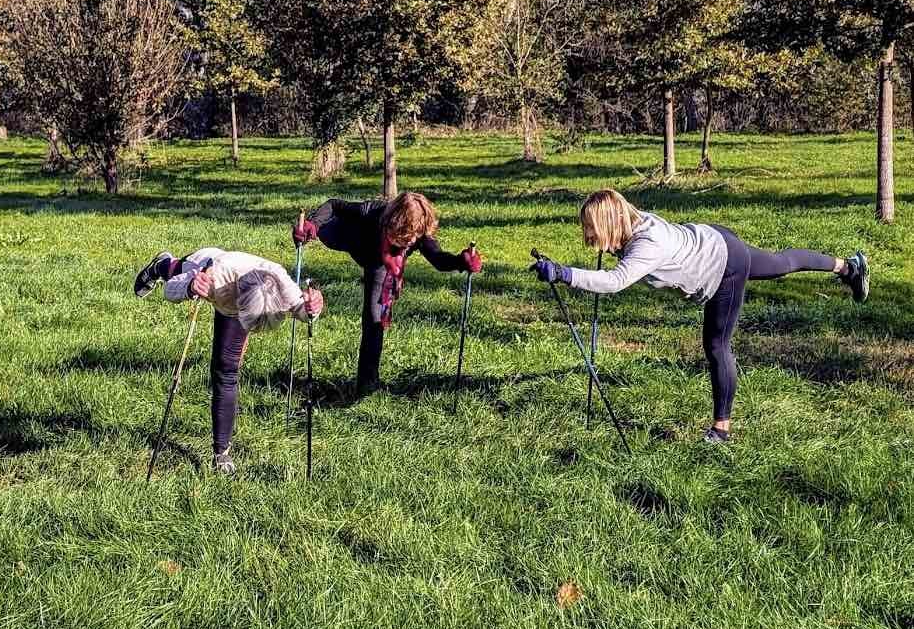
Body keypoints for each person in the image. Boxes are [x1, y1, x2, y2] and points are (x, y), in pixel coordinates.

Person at [530, 188, 869, 444]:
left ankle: (721, 431)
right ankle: (849, 268)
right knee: (780, 264)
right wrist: (602, 250)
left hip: (724, 266)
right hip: (714, 238)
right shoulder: (633, 222)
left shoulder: (648, 244)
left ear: (611, 221)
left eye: (593, 230)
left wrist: (564, 273)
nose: (590, 239)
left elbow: (616, 282)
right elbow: (619, 254)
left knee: (717, 346)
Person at [134, 248, 324, 474]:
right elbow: (170, 290)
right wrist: (189, 287)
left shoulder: (281, 283)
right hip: (209, 269)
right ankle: (160, 264)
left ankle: (220, 453)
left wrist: (313, 309)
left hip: (238, 303)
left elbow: (303, 311)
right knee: (175, 269)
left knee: (226, 371)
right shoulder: (216, 274)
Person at [292, 191, 482, 395]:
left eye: (414, 238)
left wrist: (461, 261)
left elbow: (438, 259)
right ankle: (317, 230)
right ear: (392, 223)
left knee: (374, 320)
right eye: (404, 238)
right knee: (325, 228)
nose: (410, 242)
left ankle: (367, 385)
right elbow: (333, 205)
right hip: (349, 234)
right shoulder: (371, 212)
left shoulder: (418, 231)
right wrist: (312, 225)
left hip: (378, 261)